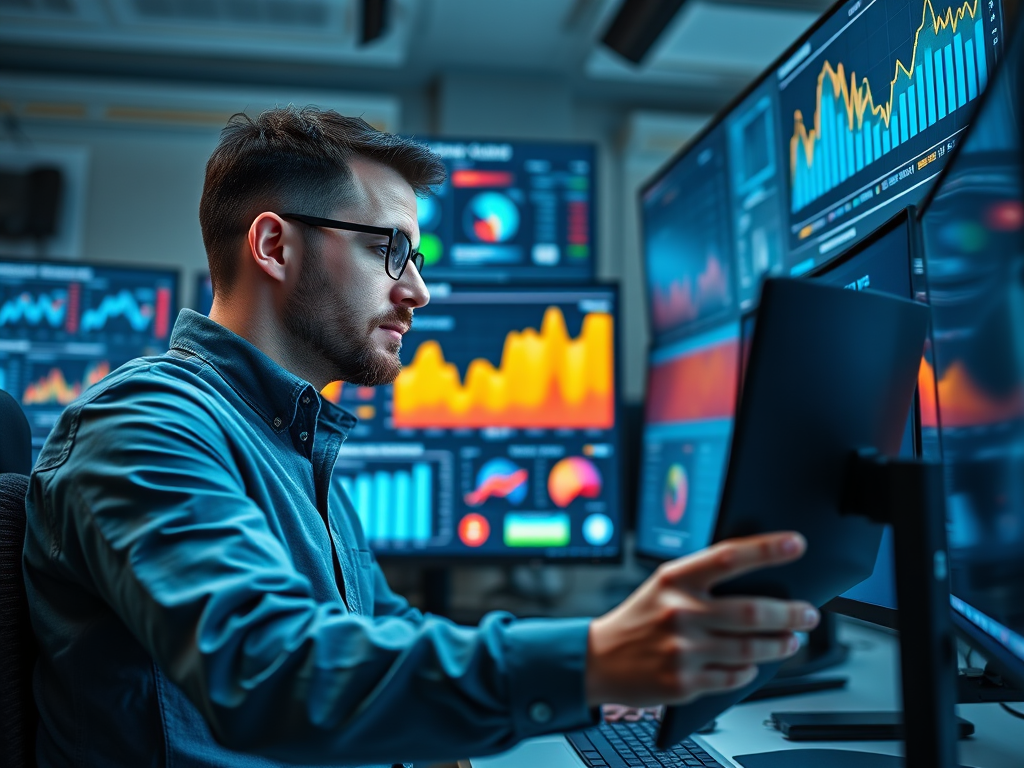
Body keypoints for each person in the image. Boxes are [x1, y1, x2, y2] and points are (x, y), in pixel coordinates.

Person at [23, 107, 819, 768]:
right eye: (388, 249)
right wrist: (588, 659)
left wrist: (593, 665)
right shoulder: (144, 426)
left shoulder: (285, 435)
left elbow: (376, 629)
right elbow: (268, 670)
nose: (419, 289)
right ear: (273, 246)